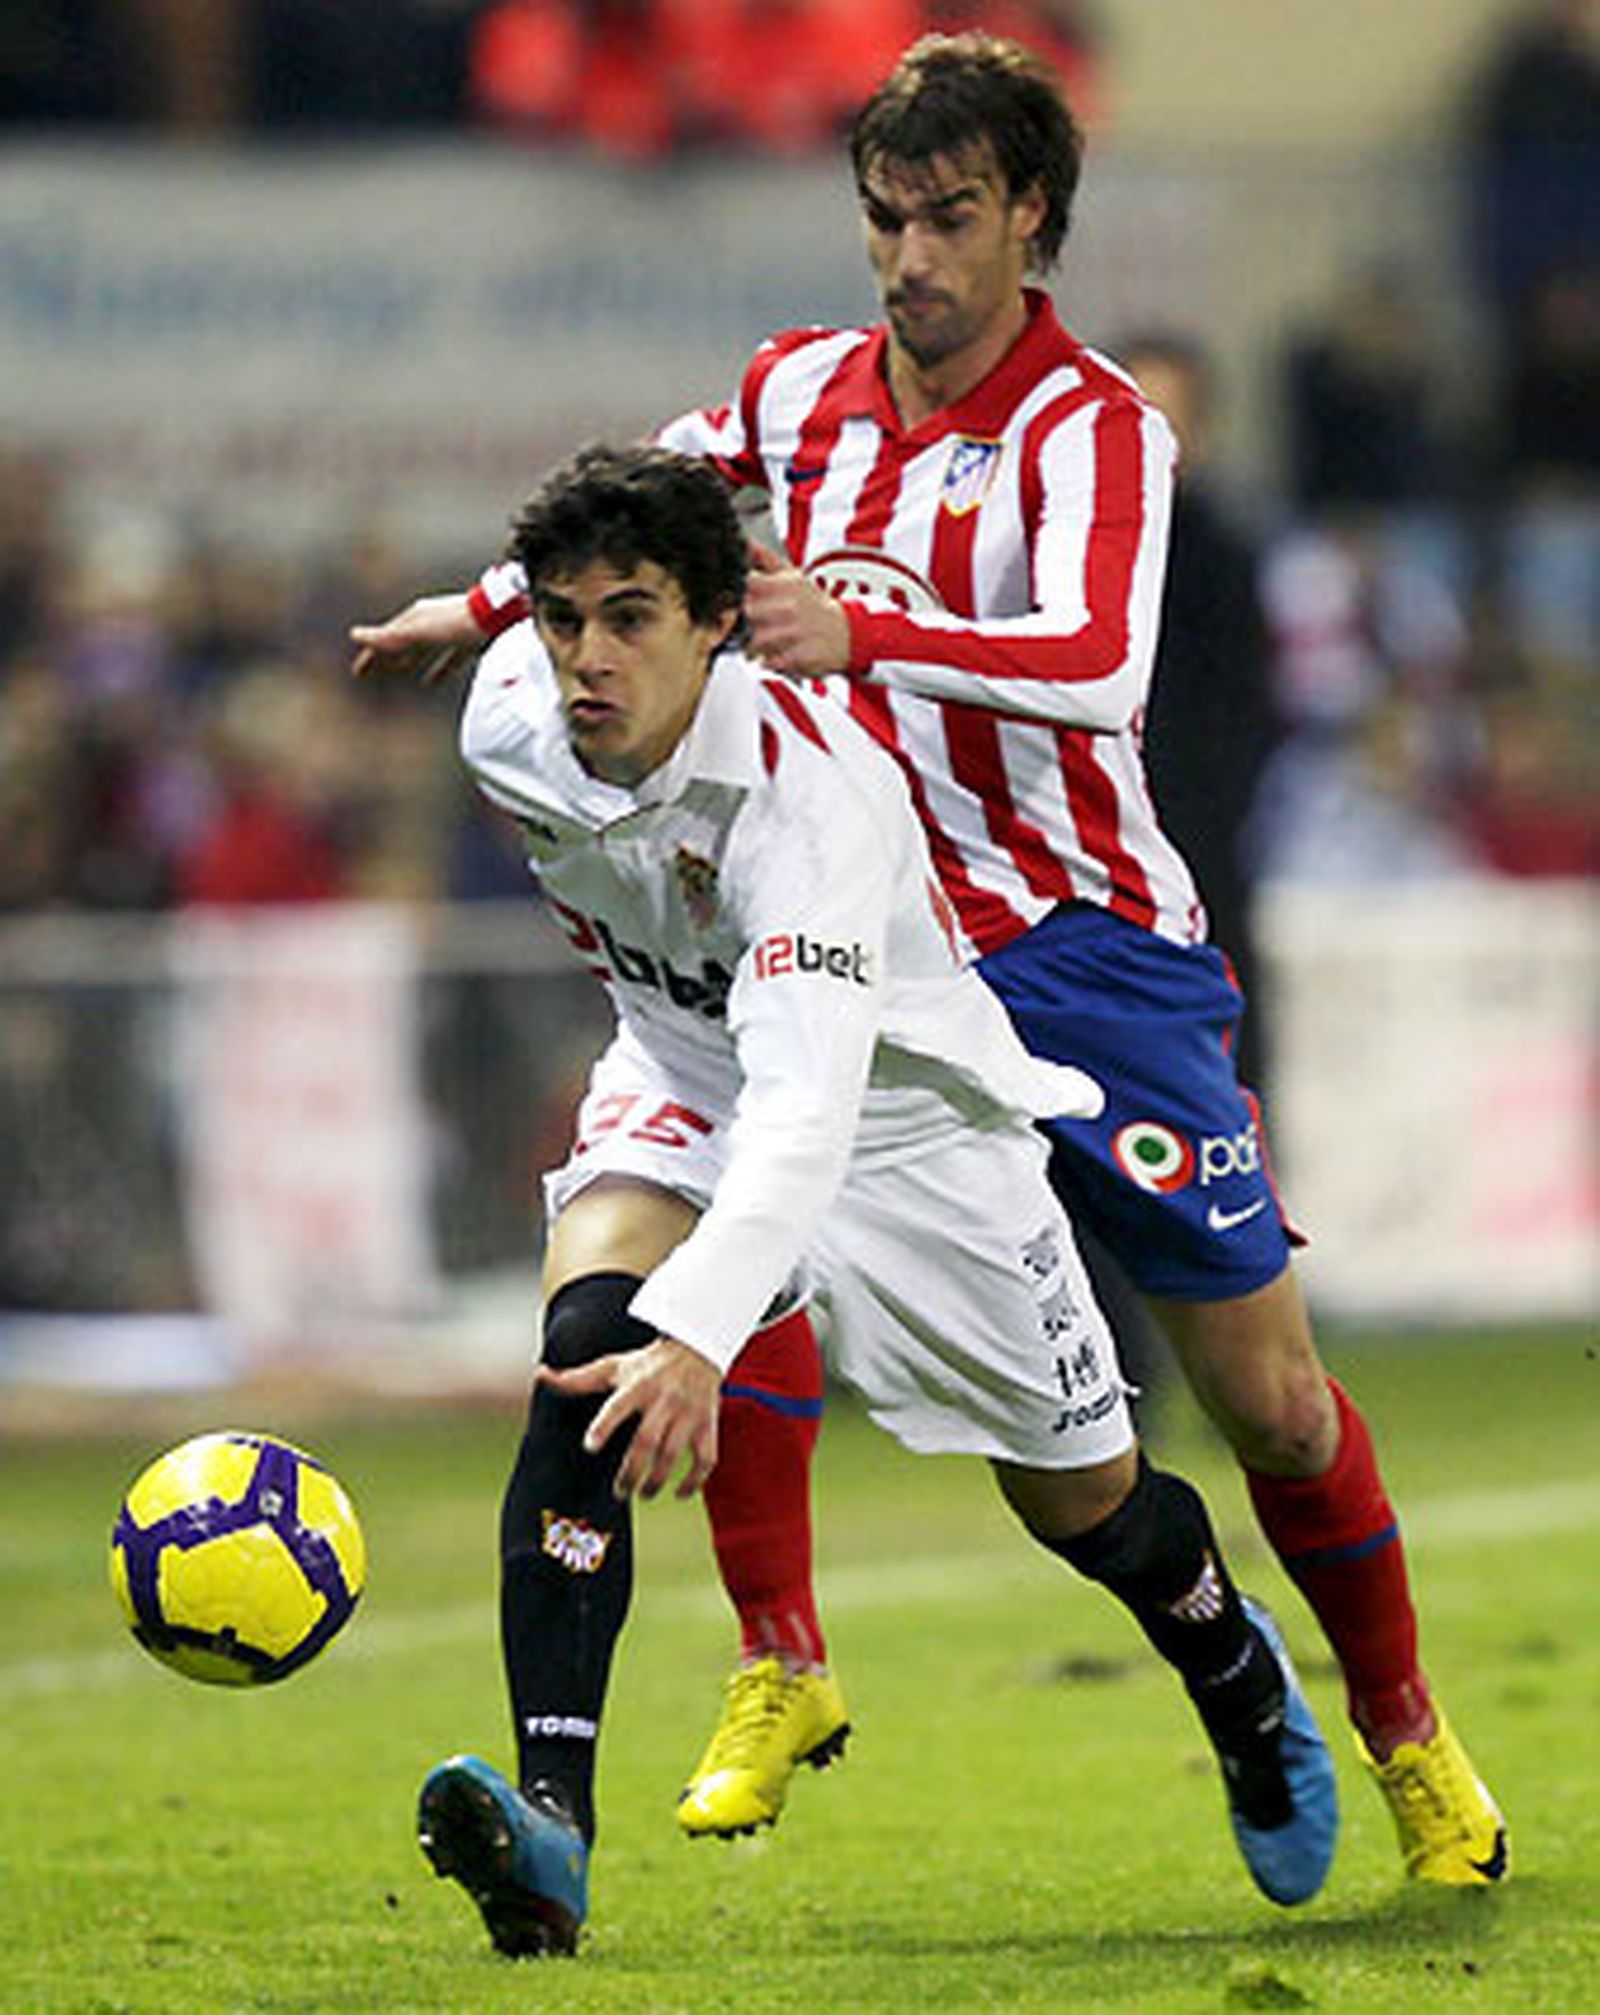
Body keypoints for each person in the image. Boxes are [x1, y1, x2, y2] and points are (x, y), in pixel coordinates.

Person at [351, 32, 1509, 1890]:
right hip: (855, 938)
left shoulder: (1098, 427)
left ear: (1033, 217)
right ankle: (772, 1659)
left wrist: (870, 634)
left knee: (1268, 1400)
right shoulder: (798, 390)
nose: (909, 258)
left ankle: (1403, 1732)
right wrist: (475, 604)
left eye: (950, 217)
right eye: (884, 215)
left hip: (1081, 950)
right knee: (737, 1205)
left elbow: (1096, 672)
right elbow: (639, 499)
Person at [407, 440, 1336, 1956]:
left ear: (720, 621)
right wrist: (666, 1324)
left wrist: (702, 1335)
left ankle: (1232, 1669)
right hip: (686, 1079)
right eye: (565, 618)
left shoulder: (810, 806)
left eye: (630, 617)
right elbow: (739, 1100)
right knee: (587, 1354)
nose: (586, 658)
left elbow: (810, 1117)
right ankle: (552, 1829)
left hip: (910, 1131)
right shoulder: (507, 719)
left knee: (1083, 1500)